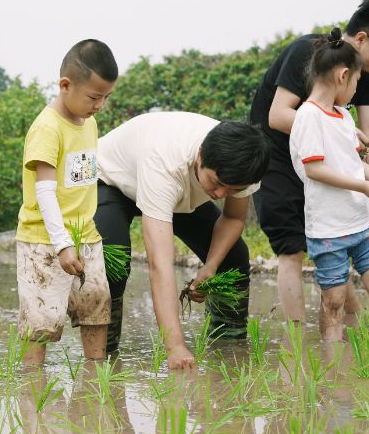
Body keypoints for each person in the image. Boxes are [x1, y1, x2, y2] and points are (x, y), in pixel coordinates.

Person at [250, 0, 369, 326]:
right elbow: (278, 116)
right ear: (363, 38)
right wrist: (339, 133)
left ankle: (352, 332)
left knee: (340, 240)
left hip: (329, 164)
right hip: (278, 160)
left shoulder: (365, 74)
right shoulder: (309, 54)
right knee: (291, 248)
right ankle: (296, 346)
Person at [95, 113, 271, 369]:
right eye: (218, 183)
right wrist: (175, 346)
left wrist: (210, 267)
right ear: (200, 156)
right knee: (113, 260)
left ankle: (228, 351)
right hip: (113, 180)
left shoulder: (246, 163)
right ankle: (104, 358)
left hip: (179, 190)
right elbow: (160, 265)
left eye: (232, 189)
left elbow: (233, 218)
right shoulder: (164, 164)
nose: (221, 194)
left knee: (233, 259)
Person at [290, 32, 369, 344]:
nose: (355, 90)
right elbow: (315, 169)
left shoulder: (341, 115)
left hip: (362, 222)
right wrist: (364, 187)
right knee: (334, 300)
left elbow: (349, 164)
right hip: (329, 229)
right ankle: (332, 373)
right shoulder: (308, 117)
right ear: (343, 76)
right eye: (355, 81)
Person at [16, 39, 118, 366]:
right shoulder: (47, 128)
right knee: (41, 322)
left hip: (86, 236)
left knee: (97, 306)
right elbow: (45, 192)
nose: (100, 105)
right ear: (65, 85)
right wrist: (61, 244)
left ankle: (95, 380)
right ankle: (32, 397)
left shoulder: (90, 122)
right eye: (93, 96)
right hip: (44, 240)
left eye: (106, 97)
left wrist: (78, 239)